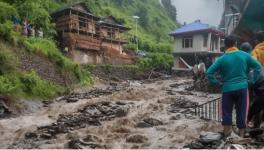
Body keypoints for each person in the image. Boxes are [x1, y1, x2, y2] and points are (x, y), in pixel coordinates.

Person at [206, 36, 262, 138]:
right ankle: (241, 137)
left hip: (227, 89)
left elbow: (209, 72)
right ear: (236, 43)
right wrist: (252, 81)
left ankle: (227, 135)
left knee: (226, 112)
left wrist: (217, 83)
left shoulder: (221, 59)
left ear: (225, 45)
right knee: (242, 112)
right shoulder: (244, 55)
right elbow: (258, 67)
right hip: (242, 88)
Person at [240, 42, 264, 128]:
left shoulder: (242, 61)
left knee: (252, 107)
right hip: (259, 88)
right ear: (250, 50)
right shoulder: (254, 59)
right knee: (256, 107)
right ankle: (254, 126)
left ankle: (246, 124)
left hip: (259, 88)